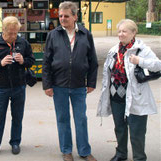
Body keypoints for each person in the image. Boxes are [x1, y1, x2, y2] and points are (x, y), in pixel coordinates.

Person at [97, 19, 161, 161]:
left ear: (133, 33)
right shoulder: (113, 51)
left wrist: (140, 61)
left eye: (124, 31)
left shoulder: (142, 50)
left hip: (135, 97)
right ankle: (121, 153)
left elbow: (158, 65)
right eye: (119, 31)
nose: (120, 34)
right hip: (116, 97)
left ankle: (139, 157)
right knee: (119, 128)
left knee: (137, 131)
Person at [42, 2, 98, 161]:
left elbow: (92, 60)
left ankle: (84, 151)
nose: (62, 19)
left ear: (75, 16)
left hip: (79, 85)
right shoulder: (53, 35)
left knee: (81, 118)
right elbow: (46, 62)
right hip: (59, 85)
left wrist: (91, 82)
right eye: (60, 16)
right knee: (62, 118)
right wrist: (47, 84)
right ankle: (66, 151)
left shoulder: (85, 34)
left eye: (66, 16)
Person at [0, 16, 35, 155]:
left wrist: (23, 61)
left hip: (19, 86)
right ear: (3, 30)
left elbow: (31, 60)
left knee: (17, 116)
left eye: (16, 33)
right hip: (1, 86)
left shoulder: (23, 42)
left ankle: (15, 142)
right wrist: (0, 63)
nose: (13, 36)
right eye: (10, 33)